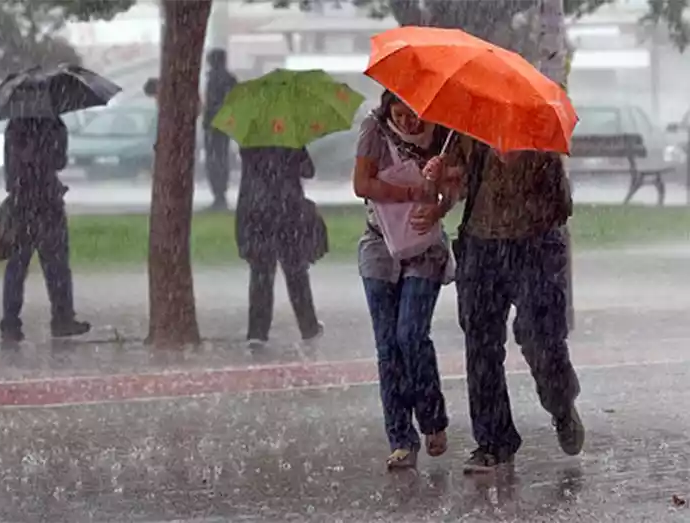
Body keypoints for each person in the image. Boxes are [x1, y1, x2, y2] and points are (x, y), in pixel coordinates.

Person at [418, 140, 582, 474]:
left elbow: (562, 206)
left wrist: (524, 166)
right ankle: (494, 441)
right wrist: (441, 180)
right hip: (481, 248)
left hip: (535, 247)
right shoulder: (469, 130)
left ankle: (561, 405)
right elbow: (456, 187)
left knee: (541, 340)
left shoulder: (537, 139)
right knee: (481, 345)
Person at [353, 90, 466, 470]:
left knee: (411, 334)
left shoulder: (445, 135)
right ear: (389, 107)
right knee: (388, 346)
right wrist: (409, 192)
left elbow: (454, 187)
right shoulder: (374, 129)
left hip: (423, 247)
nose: (409, 123)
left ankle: (432, 420)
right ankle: (401, 437)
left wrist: (438, 206)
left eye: (416, 116)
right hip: (379, 245)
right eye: (401, 114)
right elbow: (362, 184)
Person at [0, 116, 90, 342]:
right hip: (48, 202)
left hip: (21, 202)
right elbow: (59, 162)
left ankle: (10, 323)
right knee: (56, 265)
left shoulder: (14, 125)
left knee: (17, 266)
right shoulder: (54, 124)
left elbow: (10, 168)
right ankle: (62, 318)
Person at [236, 146, 325, 349]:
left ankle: (257, 332)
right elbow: (308, 171)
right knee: (296, 272)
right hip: (288, 212)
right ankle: (308, 326)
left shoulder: (250, 143)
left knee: (261, 273)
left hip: (257, 212)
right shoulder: (290, 139)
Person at [202, 49, 238, 210]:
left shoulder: (214, 79)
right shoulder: (230, 79)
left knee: (214, 159)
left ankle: (218, 194)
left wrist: (208, 120)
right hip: (225, 123)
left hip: (214, 124)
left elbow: (211, 103)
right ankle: (220, 193)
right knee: (222, 158)